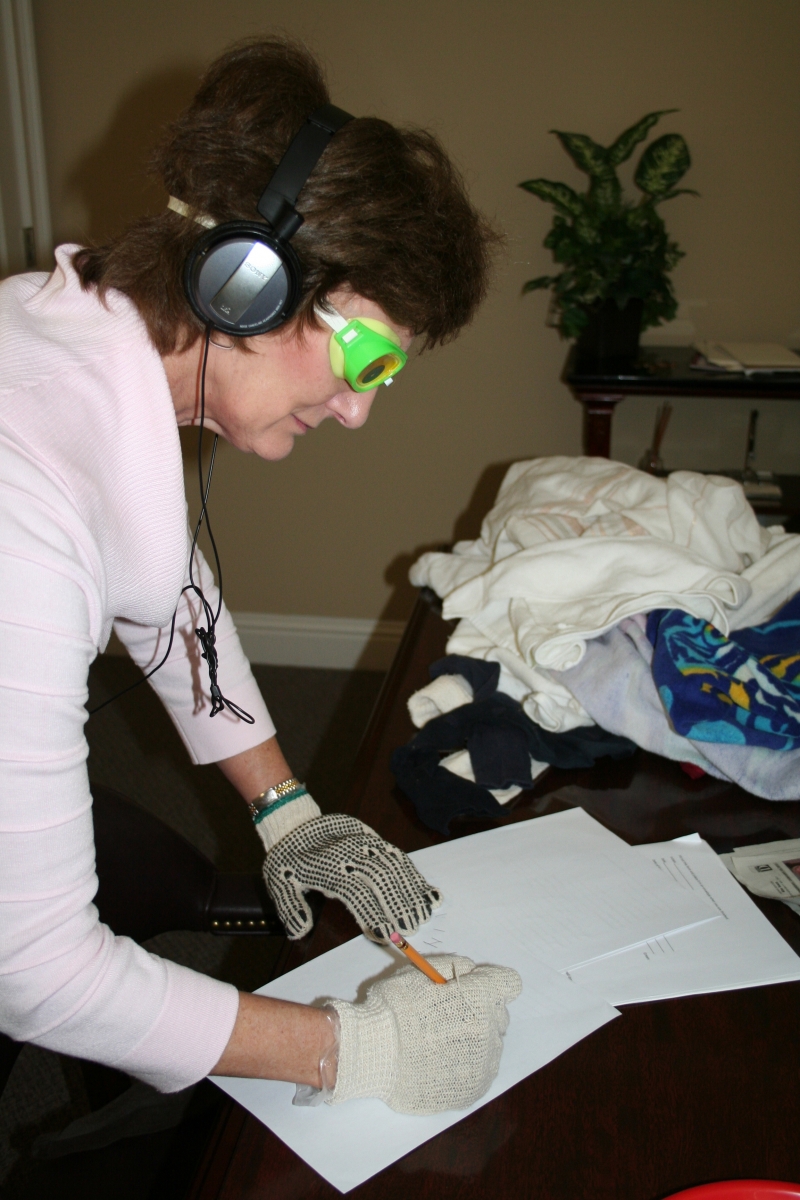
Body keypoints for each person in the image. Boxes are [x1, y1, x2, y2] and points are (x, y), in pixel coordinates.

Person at [0, 36, 520, 1113]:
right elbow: (37, 971)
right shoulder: (20, 514)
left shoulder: (85, 356)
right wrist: (343, 1049)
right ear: (244, 287)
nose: (360, 408)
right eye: (365, 359)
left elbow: (165, 595)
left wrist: (283, 806)